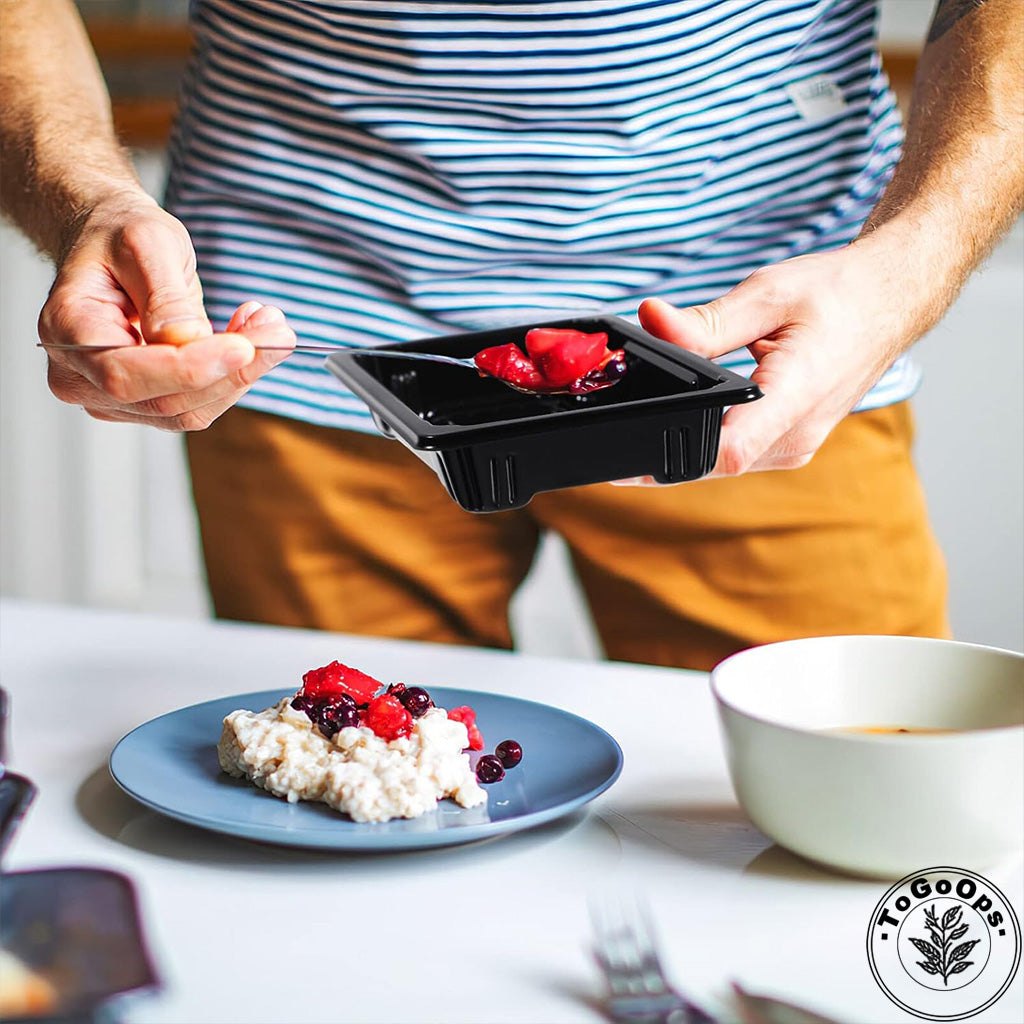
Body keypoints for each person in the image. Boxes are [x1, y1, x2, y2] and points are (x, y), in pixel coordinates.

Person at [2, 0, 1021, 670]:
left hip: (763, 346)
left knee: (852, 826)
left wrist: (904, 269)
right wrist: (83, 198)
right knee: (346, 799)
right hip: (309, 327)